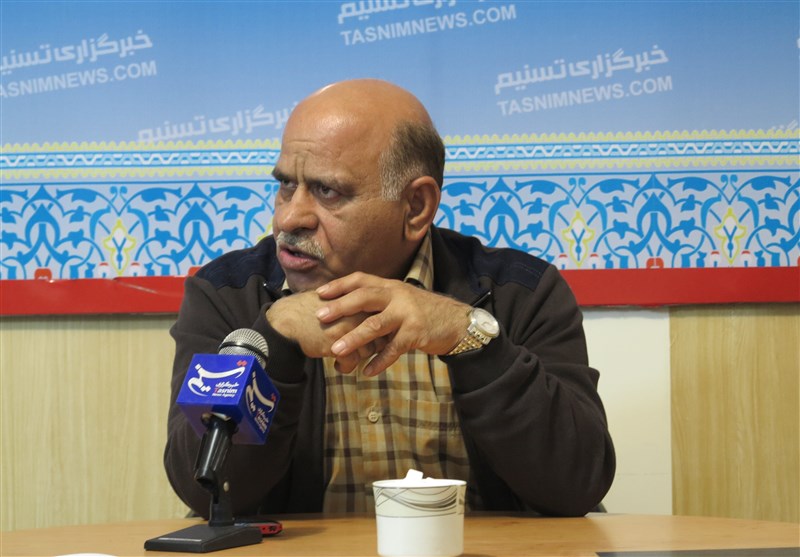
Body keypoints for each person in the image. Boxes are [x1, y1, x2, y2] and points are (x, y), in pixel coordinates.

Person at [164, 78, 615, 518]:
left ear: (416, 207)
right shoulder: (227, 296)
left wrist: (470, 338)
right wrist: (274, 342)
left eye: (326, 191)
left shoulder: (521, 292)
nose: (289, 217)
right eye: (285, 186)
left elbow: (577, 484)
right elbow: (206, 491)